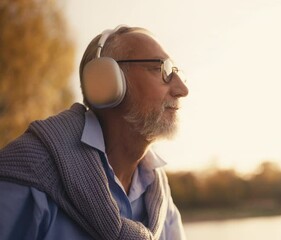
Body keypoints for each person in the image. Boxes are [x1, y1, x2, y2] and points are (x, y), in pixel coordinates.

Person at [0, 25, 189, 240]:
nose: (182, 89)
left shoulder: (161, 199)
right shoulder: (28, 173)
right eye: (161, 69)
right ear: (107, 81)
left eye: (176, 72)